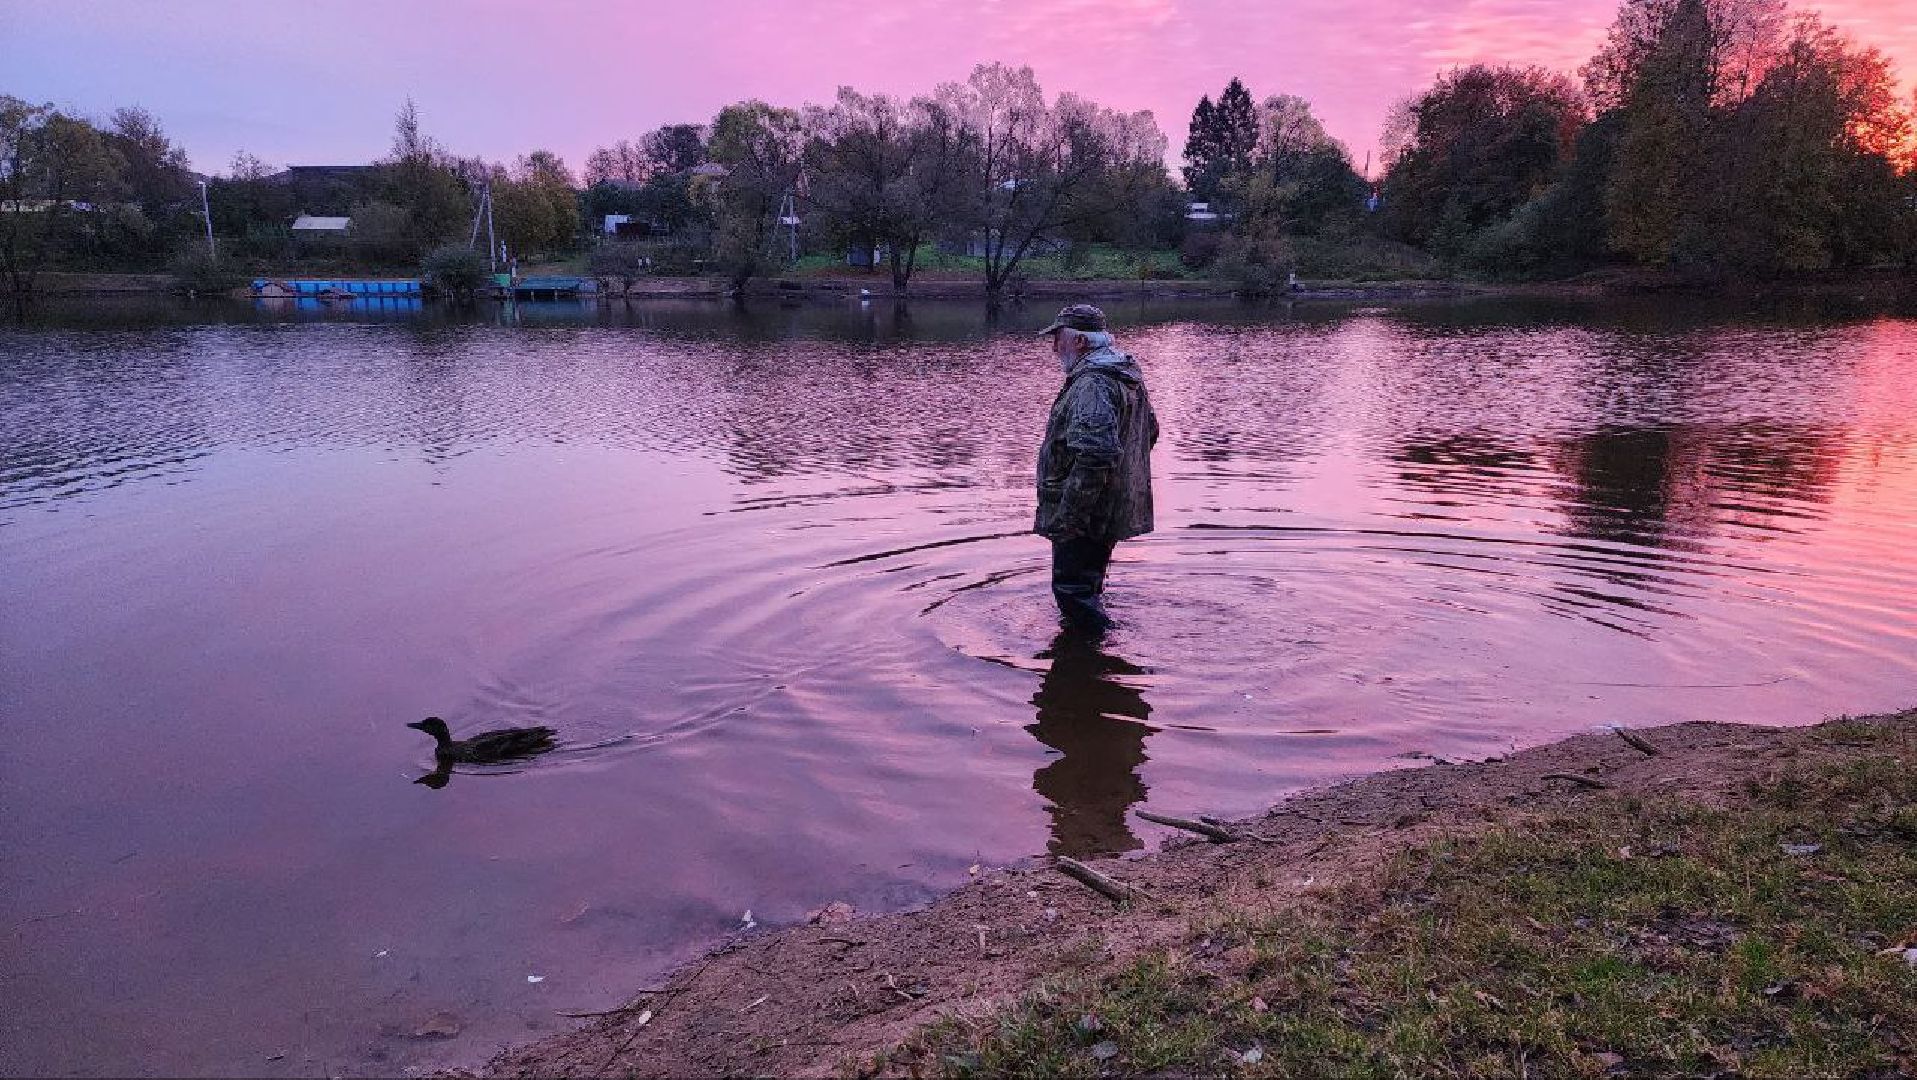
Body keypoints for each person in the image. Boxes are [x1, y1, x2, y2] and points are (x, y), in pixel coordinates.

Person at [1033, 303, 1159, 632]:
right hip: (1108, 507)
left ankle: (1095, 658)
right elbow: (1151, 432)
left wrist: (1070, 518)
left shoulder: (1092, 384)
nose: (1053, 347)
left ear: (1080, 342)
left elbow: (1095, 455)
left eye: (1058, 338)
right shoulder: (1125, 376)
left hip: (1084, 512)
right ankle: (1094, 660)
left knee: (1072, 593)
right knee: (1086, 588)